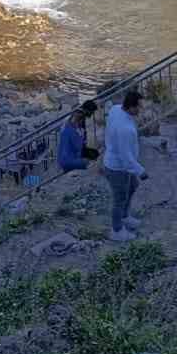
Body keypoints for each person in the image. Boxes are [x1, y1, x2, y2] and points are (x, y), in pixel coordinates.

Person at [103, 90, 148, 242]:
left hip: (118, 163)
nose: (141, 110)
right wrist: (141, 171)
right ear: (131, 107)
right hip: (118, 168)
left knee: (132, 186)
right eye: (139, 107)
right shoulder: (125, 130)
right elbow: (126, 157)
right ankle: (116, 230)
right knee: (119, 198)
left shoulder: (115, 109)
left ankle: (125, 216)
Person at [57, 101, 99, 172]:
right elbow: (76, 141)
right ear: (88, 110)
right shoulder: (77, 118)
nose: (92, 115)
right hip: (69, 157)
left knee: (95, 154)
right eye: (92, 112)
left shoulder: (76, 115)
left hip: (70, 151)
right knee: (91, 162)